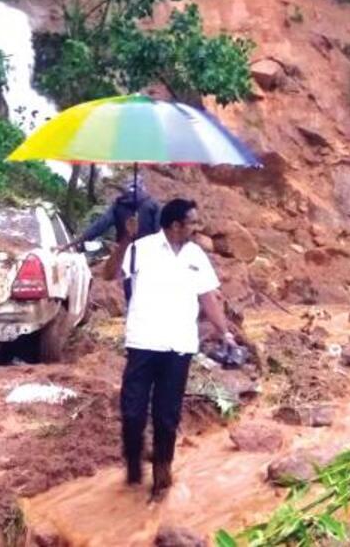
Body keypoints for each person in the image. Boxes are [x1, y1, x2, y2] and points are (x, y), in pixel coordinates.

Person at [118, 198, 235, 501]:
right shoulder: (139, 249)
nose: (198, 228)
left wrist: (225, 333)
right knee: (132, 412)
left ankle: (162, 474)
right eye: (193, 222)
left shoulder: (196, 255)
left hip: (179, 347)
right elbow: (108, 274)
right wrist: (124, 240)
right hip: (142, 342)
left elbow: (208, 297)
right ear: (175, 225)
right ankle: (133, 462)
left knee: (166, 415)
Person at [59, 178, 160, 302]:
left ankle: (131, 310)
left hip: (125, 254)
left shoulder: (118, 206)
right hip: (149, 255)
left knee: (130, 291)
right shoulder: (152, 205)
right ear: (143, 188)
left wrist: (73, 243)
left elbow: (99, 226)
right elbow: (159, 233)